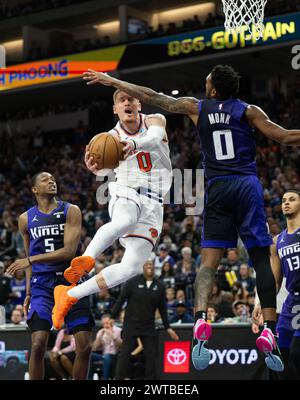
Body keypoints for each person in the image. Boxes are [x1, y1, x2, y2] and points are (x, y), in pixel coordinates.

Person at [82, 64, 300, 372]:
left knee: (208, 262)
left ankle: (200, 319)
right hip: (246, 186)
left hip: (217, 187)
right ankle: (268, 328)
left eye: (206, 81)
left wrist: (109, 80)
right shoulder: (249, 111)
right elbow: (286, 137)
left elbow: (151, 96)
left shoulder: (196, 108)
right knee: (262, 259)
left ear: (212, 90)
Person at [51, 91, 173, 331]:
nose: (127, 102)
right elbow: (105, 170)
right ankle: (87, 258)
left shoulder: (154, 120)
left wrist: (134, 144)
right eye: (121, 100)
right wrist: (95, 169)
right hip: (126, 190)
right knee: (125, 220)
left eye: (131, 99)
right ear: (115, 109)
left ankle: (69, 294)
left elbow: (156, 138)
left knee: (131, 268)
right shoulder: (110, 137)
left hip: (154, 202)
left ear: (139, 104)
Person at [6, 172, 94, 380]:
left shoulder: (71, 210)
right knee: (37, 345)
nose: (52, 181)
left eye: (54, 178)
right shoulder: (25, 219)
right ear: (35, 189)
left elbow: (69, 251)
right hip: (41, 286)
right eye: (46, 180)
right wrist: (28, 293)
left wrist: (30, 260)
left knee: (84, 346)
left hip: (71, 281)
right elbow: (29, 260)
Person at [253, 190, 300, 379]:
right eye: (283, 200)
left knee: (297, 354)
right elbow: (274, 282)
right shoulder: (276, 242)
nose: (286, 203)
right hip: (292, 301)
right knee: (278, 355)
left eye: (292, 199)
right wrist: (261, 304)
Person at [111, 260, 179, 379]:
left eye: (151, 265)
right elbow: (121, 300)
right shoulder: (132, 282)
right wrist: (112, 316)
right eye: (146, 264)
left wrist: (168, 327)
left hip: (148, 325)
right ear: (142, 267)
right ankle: (119, 378)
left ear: (154, 268)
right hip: (131, 324)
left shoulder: (159, 286)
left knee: (151, 355)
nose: (149, 267)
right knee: (125, 354)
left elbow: (162, 308)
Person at [89, 314, 122, 380]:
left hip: (115, 356)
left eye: (107, 323)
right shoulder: (101, 332)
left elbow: (121, 345)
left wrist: (112, 334)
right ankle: (89, 378)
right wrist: (99, 337)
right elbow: (94, 348)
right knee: (89, 355)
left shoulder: (119, 330)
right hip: (104, 356)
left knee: (107, 357)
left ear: (112, 322)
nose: (105, 325)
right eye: (103, 323)